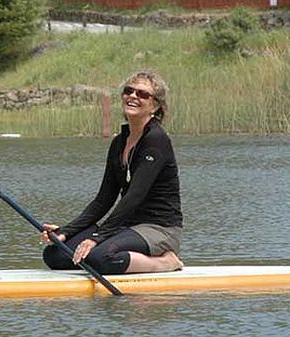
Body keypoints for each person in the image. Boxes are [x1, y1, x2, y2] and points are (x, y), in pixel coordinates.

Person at [41, 70, 184, 275]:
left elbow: (134, 196)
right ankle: (105, 246)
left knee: (101, 259)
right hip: (125, 227)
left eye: (143, 94)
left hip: (159, 229)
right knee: (55, 254)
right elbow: (104, 199)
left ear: (155, 105)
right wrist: (67, 231)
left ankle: (166, 262)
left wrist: (97, 237)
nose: (133, 96)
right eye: (129, 91)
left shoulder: (156, 140)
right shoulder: (119, 143)